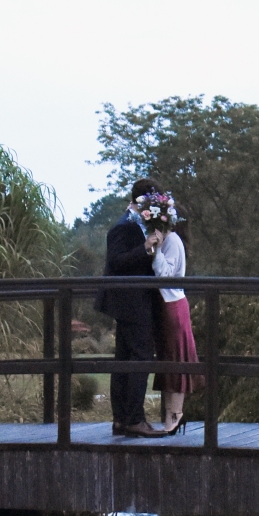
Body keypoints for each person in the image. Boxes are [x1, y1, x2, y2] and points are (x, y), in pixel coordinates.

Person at [95, 179, 167, 437]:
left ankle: (122, 419)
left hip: (132, 301)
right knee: (140, 356)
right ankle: (134, 419)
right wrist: (145, 247)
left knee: (125, 359)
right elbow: (116, 261)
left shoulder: (136, 224)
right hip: (130, 302)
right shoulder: (124, 226)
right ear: (144, 201)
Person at [151, 213, 200, 434]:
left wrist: (156, 250)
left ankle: (175, 415)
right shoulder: (169, 240)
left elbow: (165, 274)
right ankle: (171, 416)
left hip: (172, 305)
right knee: (168, 360)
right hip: (167, 305)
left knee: (176, 360)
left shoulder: (171, 241)